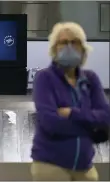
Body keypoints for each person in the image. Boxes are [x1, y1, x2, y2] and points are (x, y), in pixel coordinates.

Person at [31, 22, 110, 181]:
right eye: (63, 42)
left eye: (74, 42)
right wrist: (90, 127)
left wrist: (72, 113)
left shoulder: (90, 79)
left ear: (83, 49)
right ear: (55, 49)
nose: (69, 46)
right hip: (51, 167)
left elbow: (106, 117)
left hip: (85, 167)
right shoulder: (44, 78)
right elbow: (50, 123)